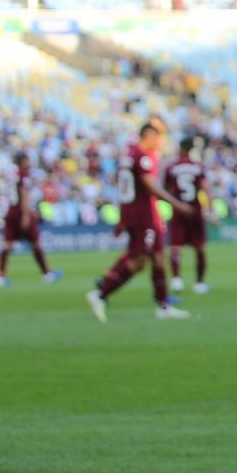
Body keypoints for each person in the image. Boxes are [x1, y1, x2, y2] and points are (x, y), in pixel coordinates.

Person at [86, 121, 195, 322]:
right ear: (148, 136)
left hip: (136, 214)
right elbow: (150, 187)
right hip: (143, 216)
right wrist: (177, 204)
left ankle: (163, 306)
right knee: (138, 262)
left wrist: (122, 217)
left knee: (159, 257)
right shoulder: (142, 157)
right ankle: (101, 294)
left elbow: (125, 188)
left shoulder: (128, 156)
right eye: (157, 138)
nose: (159, 142)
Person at [0, 151, 62, 286]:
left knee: (7, 244)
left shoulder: (11, 175)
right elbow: (23, 194)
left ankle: (1, 275)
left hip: (11, 210)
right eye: (27, 159)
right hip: (20, 211)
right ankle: (46, 273)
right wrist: (26, 214)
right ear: (23, 161)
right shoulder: (23, 175)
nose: (29, 162)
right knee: (35, 242)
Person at [164, 136, 214, 295]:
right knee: (199, 247)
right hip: (195, 210)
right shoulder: (198, 167)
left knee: (176, 247)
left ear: (180, 149)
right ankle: (199, 283)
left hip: (178, 209)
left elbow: (166, 188)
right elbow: (206, 189)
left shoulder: (171, 167)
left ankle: (177, 280)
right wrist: (211, 211)